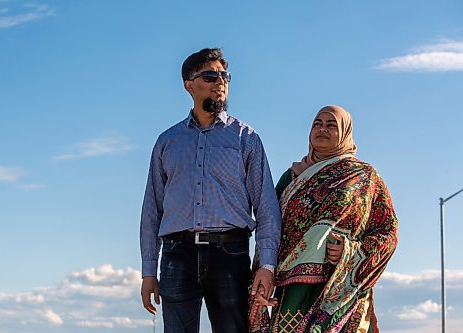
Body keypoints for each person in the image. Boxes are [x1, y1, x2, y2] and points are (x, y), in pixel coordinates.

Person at [140, 47, 282, 333]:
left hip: (230, 253)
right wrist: (148, 271)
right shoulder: (167, 142)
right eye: (210, 75)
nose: (220, 82)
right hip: (176, 254)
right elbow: (152, 209)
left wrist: (267, 265)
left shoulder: (247, 138)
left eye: (224, 76)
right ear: (189, 85)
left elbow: (266, 206)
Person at [249, 105, 398, 333]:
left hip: (339, 289)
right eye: (317, 124)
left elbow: (387, 231)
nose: (322, 129)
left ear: (345, 132)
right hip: (293, 291)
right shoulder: (291, 177)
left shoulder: (365, 178)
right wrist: (263, 269)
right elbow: (269, 224)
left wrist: (351, 251)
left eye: (331, 125)